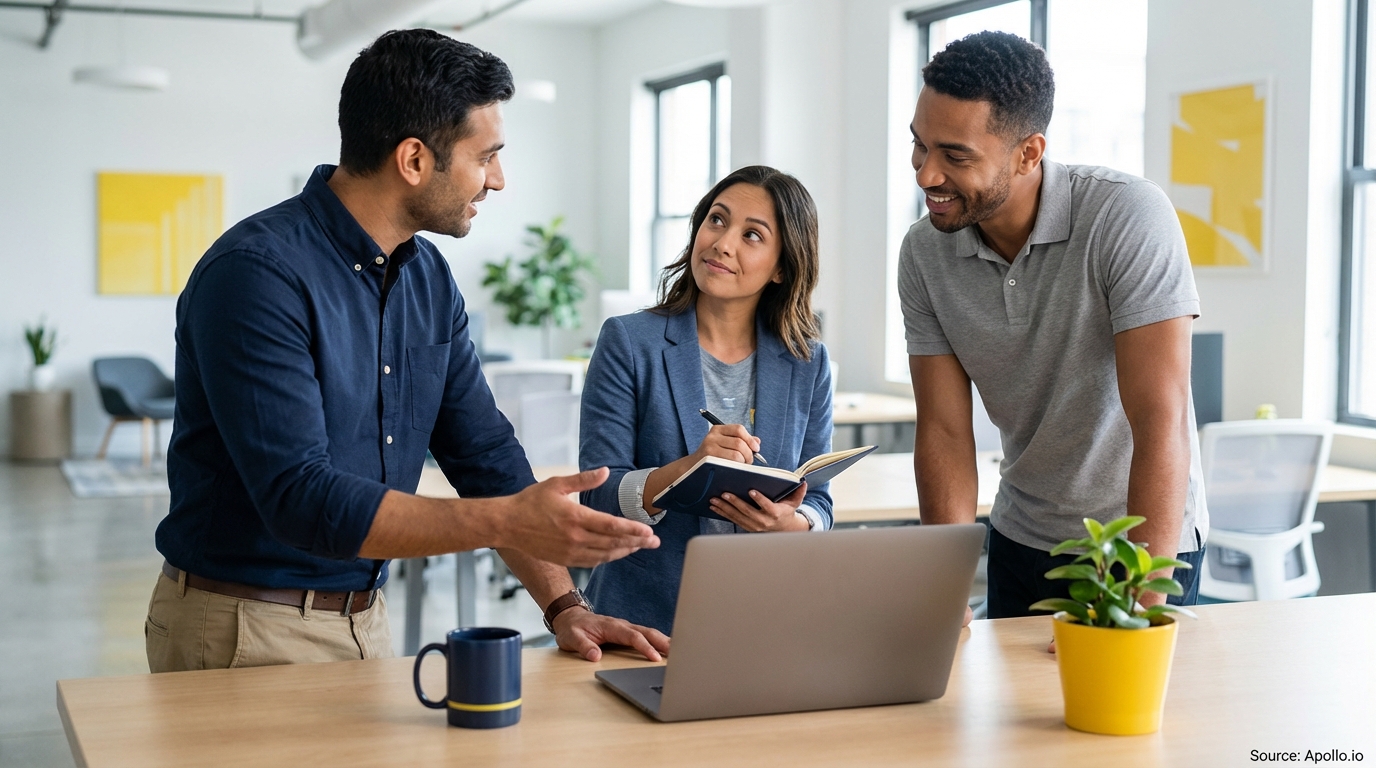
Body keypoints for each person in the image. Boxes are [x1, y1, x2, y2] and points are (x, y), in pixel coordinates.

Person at [146, 29, 669, 672]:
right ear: (415, 160)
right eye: (487, 157)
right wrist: (506, 521)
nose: (498, 180)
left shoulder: (426, 278)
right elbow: (299, 497)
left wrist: (566, 606)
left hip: (365, 620)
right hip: (245, 628)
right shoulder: (255, 274)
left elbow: (483, 453)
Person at [898, 31, 1209, 622]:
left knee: (1124, 716)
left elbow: (1160, 421)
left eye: (955, 156)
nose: (926, 176)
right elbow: (943, 431)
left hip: (1137, 544)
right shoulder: (923, 253)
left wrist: (1140, 607)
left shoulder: (1126, 216)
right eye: (920, 146)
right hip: (1019, 533)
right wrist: (944, 584)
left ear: (1028, 153)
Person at [578, 166, 834, 635]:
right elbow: (597, 494)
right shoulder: (629, 342)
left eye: (752, 235)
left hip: (767, 622)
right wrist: (688, 469)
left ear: (782, 266)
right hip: (645, 621)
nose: (722, 242)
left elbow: (817, 499)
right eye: (716, 220)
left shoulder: (808, 362)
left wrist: (791, 524)